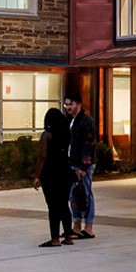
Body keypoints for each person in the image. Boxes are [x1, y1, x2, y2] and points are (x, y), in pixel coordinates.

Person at [37, 93, 78, 247]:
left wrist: (36, 175)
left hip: (50, 173)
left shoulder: (46, 135)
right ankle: (68, 236)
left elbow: (42, 156)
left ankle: (55, 238)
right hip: (65, 172)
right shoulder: (67, 134)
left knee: (53, 206)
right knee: (63, 205)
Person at [64, 87, 99, 241]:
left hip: (83, 165)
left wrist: (85, 167)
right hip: (72, 163)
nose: (68, 107)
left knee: (85, 193)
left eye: (70, 104)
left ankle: (89, 227)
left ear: (78, 104)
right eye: (66, 104)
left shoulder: (87, 121)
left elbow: (90, 145)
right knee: (73, 195)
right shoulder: (70, 121)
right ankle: (76, 225)